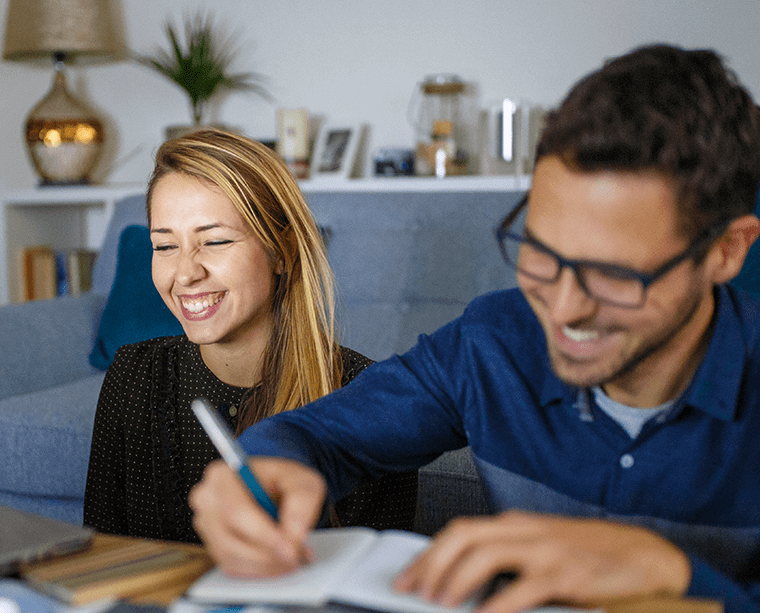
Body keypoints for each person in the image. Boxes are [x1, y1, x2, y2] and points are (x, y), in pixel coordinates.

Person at [189, 45, 760, 612]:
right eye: (539, 251)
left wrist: (668, 570)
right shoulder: (493, 340)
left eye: (613, 274)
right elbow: (318, 436)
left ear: (727, 252)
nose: (561, 310)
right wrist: (266, 468)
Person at [83, 129, 417, 543]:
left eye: (216, 241)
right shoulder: (133, 375)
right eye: (165, 246)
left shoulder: (367, 398)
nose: (185, 273)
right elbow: (100, 556)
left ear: (282, 251)